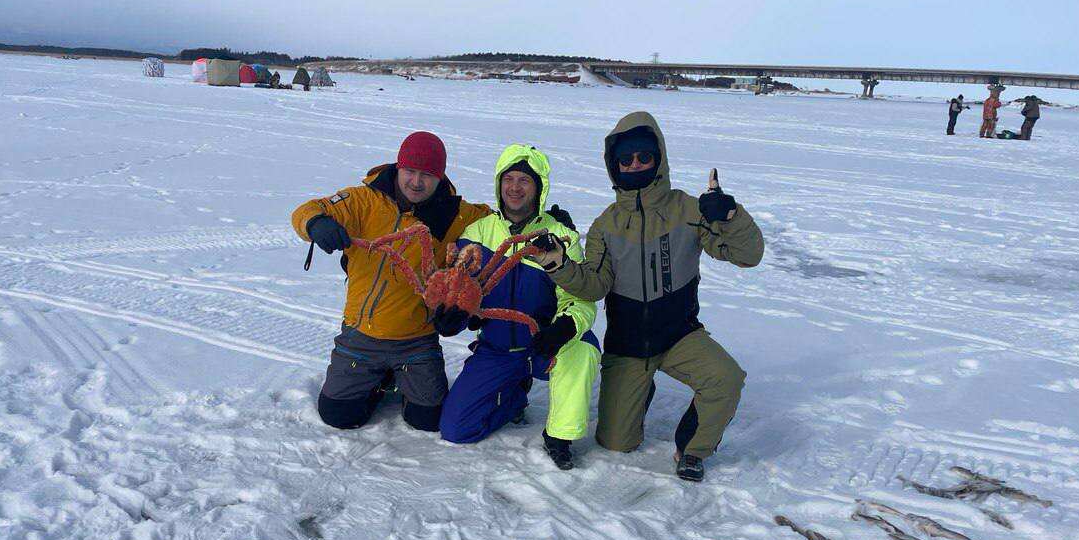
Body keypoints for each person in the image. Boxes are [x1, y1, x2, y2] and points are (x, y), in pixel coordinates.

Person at [537, 111, 764, 482]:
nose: (636, 164)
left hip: (679, 334)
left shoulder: (689, 209)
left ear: (659, 157)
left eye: (644, 155)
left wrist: (730, 216)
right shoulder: (605, 225)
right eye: (626, 159)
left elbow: (747, 255)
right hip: (627, 344)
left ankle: (691, 448)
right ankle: (640, 388)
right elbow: (593, 286)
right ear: (615, 165)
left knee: (726, 379)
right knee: (615, 443)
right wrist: (558, 265)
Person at [290, 132, 490, 432]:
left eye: (427, 175)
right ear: (398, 167)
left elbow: (501, 227)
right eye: (410, 171)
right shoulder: (363, 200)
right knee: (338, 416)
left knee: (427, 420)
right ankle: (379, 380)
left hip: (417, 340)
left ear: (440, 177)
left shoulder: (458, 215)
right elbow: (306, 210)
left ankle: (403, 379)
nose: (416, 182)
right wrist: (317, 224)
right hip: (361, 334)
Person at [438, 145, 600, 469]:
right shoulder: (478, 233)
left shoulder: (561, 236)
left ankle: (560, 436)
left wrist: (564, 328)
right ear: (499, 184)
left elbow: (581, 297)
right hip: (497, 348)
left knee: (582, 349)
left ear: (539, 187)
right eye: (508, 178)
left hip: (545, 344)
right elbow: (460, 284)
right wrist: (452, 312)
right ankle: (513, 397)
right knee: (456, 429)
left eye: (524, 180)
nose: (515, 187)